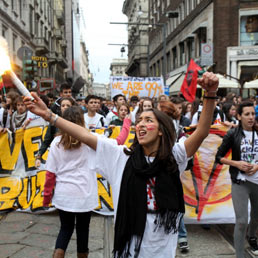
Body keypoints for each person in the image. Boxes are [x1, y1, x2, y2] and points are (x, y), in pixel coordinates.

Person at [24, 72, 219, 258]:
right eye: (139, 121)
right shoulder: (120, 157)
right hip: (129, 249)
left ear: (161, 130)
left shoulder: (174, 156)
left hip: (163, 250)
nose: (141, 125)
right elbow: (84, 135)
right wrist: (50, 116)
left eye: (148, 120)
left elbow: (201, 132)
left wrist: (210, 95)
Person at [43, 106, 98, 258]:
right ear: (82, 121)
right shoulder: (90, 140)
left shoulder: (56, 142)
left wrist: (46, 197)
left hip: (64, 194)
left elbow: (50, 174)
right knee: (83, 230)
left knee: (65, 229)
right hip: (85, 193)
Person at [215, 101, 258, 258]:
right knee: (241, 221)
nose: (251, 117)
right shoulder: (232, 134)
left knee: (256, 216)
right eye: (247, 114)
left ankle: (252, 236)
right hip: (240, 182)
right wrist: (236, 163)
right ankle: (239, 255)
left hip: (257, 181)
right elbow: (218, 157)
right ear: (239, 116)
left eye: (253, 114)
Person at [35, 97, 76, 168]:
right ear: (60, 108)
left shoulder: (77, 122)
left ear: (72, 107)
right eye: (63, 106)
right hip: (58, 158)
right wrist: (39, 156)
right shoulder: (55, 122)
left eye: (68, 106)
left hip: (73, 159)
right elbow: (46, 141)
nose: (65, 107)